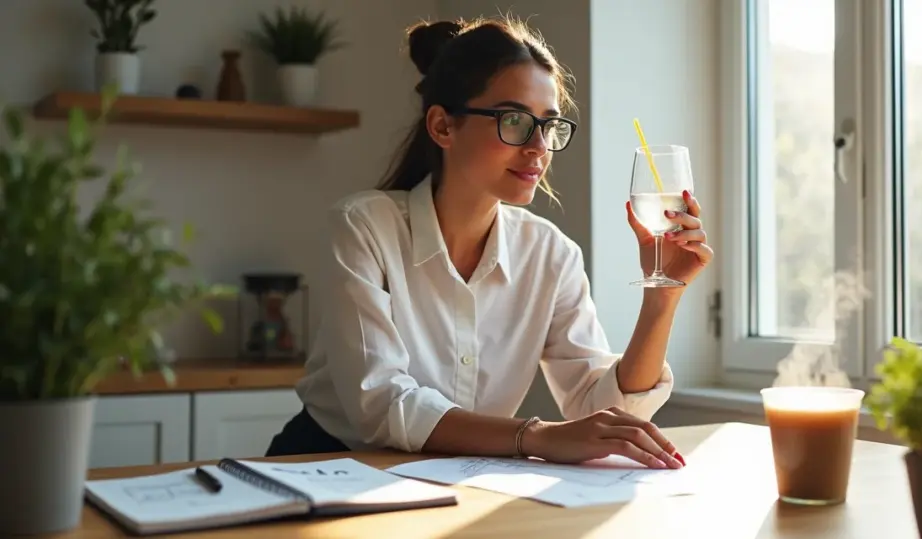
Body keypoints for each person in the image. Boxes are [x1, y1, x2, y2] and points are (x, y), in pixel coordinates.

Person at [265, 16, 713, 470]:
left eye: (549, 125)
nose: (539, 146)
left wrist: (663, 297)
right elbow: (379, 402)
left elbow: (600, 410)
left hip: (458, 480)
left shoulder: (550, 254)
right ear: (442, 127)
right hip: (324, 468)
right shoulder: (363, 227)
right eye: (514, 120)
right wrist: (537, 436)